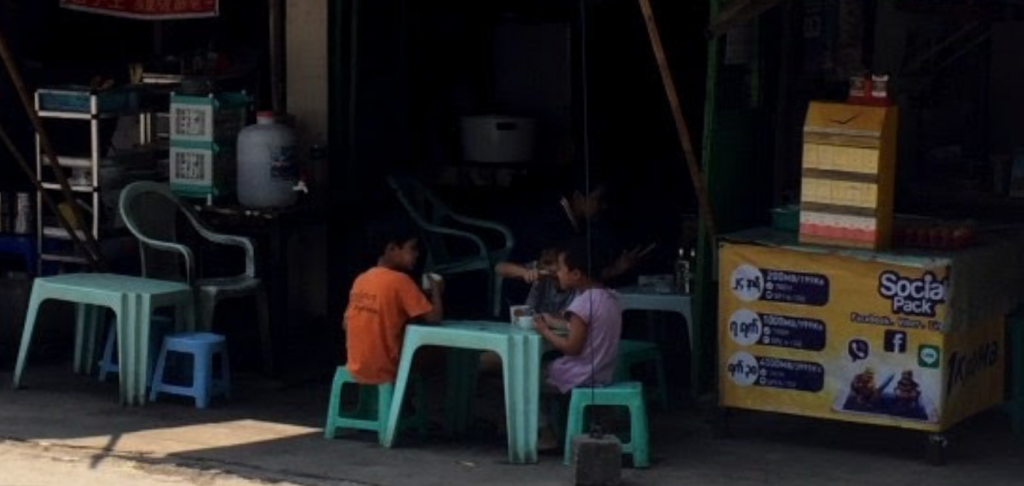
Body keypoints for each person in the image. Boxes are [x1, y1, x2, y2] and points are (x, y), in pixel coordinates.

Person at [532, 239, 623, 449]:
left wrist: (545, 331)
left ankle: (546, 433)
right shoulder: (611, 298)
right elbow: (590, 328)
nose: (557, 272)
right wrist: (555, 321)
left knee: (525, 378)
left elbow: (572, 348)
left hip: (579, 375)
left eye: (562, 268)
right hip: (602, 373)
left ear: (576, 274)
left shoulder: (581, 304)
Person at [344, 220, 444, 384]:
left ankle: (399, 400)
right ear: (391, 249)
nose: (417, 254)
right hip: (386, 369)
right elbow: (435, 318)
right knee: (438, 352)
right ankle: (405, 401)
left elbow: (345, 324)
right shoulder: (401, 281)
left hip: (355, 367)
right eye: (412, 248)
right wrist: (435, 289)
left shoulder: (361, 279)